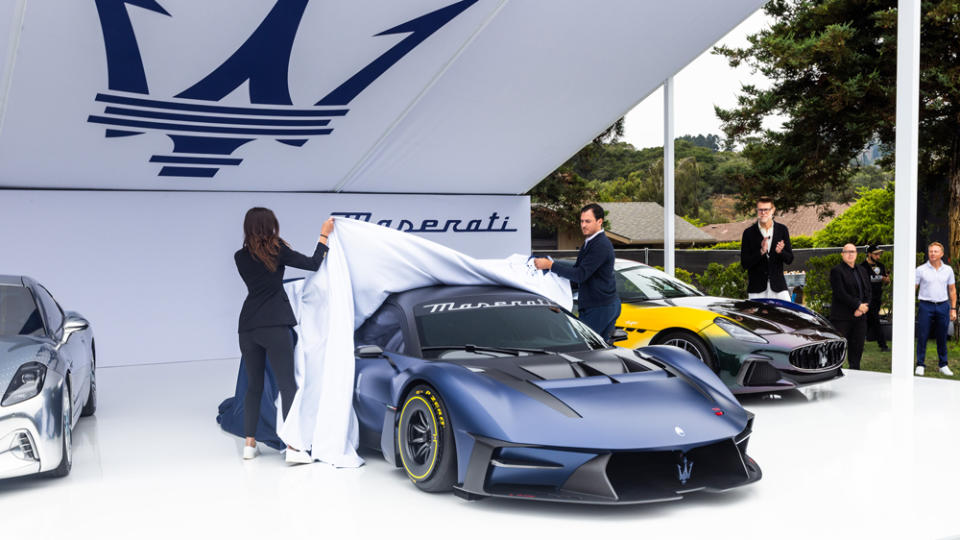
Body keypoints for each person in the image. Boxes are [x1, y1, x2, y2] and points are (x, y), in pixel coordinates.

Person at [235, 207, 335, 461]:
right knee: (287, 384)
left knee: (254, 386)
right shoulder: (276, 249)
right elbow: (313, 264)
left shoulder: (240, 257)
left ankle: (249, 444)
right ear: (271, 226)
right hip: (275, 324)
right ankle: (293, 448)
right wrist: (324, 236)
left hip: (248, 326)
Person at [533, 203, 620, 341]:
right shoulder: (590, 242)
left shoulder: (600, 245)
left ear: (600, 221)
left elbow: (580, 275)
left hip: (600, 307)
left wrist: (551, 265)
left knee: (584, 346)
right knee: (598, 350)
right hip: (600, 305)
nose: (583, 225)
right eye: (582, 221)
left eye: (588, 221)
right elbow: (576, 272)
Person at [915, 242, 956, 376]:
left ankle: (943, 365)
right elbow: (913, 288)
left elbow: (952, 290)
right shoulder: (920, 269)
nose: (932, 253)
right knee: (922, 335)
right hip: (926, 305)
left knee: (942, 336)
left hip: (943, 305)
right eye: (931, 251)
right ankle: (920, 364)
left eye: (935, 251)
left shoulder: (948, 270)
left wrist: (953, 308)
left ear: (942, 254)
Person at [741, 196, 793, 301]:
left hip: (779, 288)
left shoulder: (782, 230)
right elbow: (745, 264)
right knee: (756, 318)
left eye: (766, 210)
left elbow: (790, 259)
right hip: (756, 289)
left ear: (773, 210)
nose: (763, 213)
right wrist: (761, 252)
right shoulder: (748, 233)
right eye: (760, 210)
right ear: (757, 211)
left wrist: (780, 252)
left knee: (786, 315)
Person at [829, 243, 871, 370]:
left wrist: (864, 307)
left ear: (856, 254)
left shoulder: (862, 270)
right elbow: (840, 293)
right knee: (838, 350)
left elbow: (868, 291)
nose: (850, 254)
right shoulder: (837, 271)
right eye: (847, 252)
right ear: (842, 254)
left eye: (852, 251)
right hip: (842, 318)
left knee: (857, 349)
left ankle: (855, 372)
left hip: (860, 318)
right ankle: (836, 373)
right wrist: (858, 306)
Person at [860, 243, 890, 351]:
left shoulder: (881, 266)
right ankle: (883, 345)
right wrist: (880, 277)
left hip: (877, 298)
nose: (878, 256)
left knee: (868, 321)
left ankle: (858, 343)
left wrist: (886, 280)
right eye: (876, 254)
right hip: (866, 299)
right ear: (869, 254)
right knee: (875, 321)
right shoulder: (862, 267)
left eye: (879, 254)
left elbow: (886, 280)